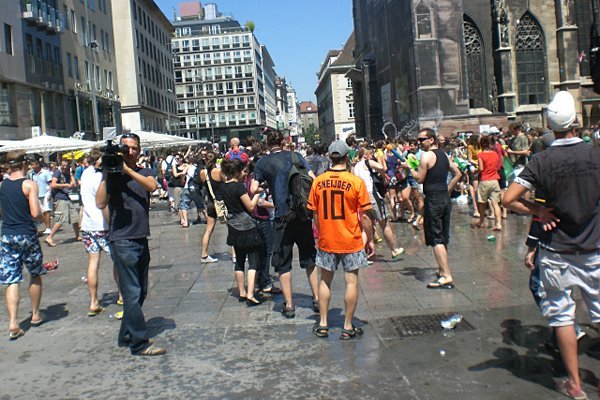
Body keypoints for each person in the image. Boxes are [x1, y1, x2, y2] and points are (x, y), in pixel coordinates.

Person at [503, 91, 600, 400]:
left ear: (550, 125)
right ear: (576, 122)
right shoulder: (595, 154)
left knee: (562, 317)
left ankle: (575, 384)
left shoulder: (541, 160)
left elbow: (508, 199)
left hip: (557, 251)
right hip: (594, 248)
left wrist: (538, 211)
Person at [96, 133, 166, 356]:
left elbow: (152, 186)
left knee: (141, 290)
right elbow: (100, 202)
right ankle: (139, 343)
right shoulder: (112, 176)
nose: (131, 152)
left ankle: (125, 334)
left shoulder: (144, 172)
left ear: (139, 149)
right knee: (132, 293)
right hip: (122, 239)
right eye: (126, 148)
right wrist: (107, 173)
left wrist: (127, 170)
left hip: (140, 236)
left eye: (134, 148)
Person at [250, 129, 319, 319]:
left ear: (267, 144)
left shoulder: (263, 162)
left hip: (282, 217)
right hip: (302, 215)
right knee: (309, 258)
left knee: (283, 262)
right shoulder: (296, 156)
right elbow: (312, 179)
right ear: (282, 141)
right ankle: (316, 299)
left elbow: (253, 188)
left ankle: (289, 305)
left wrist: (268, 184)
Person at [308, 141, 372, 340]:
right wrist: (369, 237)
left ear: (330, 157)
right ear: (346, 158)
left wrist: (322, 231)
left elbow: (314, 214)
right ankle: (347, 326)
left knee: (325, 280)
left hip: (327, 239)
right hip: (351, 239)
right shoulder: (355, 182)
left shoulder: (318, 182)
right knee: (351, 282)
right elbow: (365, 216)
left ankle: (323, 323)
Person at [0, 151, 45, 340]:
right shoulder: (29, 184)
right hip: (26, 234)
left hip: (7, 235)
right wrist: (44, 219)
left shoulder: (2, 185)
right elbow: (35, 213)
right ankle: (35, 314)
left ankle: (13, 323)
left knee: (12, 279)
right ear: (24, 164)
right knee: (34, 273)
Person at [410, 128, 462, 289]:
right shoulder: (444, 155)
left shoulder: (426, 156)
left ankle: (446, 275)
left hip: (433, 199)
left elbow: (419, 179)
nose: (419, 143)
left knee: (436, 238)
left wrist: (408, 168)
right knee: (443, 236)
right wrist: (447, 190)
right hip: (444, 198)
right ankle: (442, 270)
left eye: (421, 140)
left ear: (431, 140)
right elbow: (458, 173)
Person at [80, 148, 123, 317]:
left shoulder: (85, 174)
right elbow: (103, 204)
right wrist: (113, 225)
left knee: (93, 263)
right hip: (103, 225)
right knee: (118, 261)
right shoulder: (101, 177)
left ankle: (93, 302)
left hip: (88, 225)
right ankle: (121, 295)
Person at [220, 159, 264, 306]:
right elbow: (250, 206)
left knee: (239, 260)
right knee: (253, 261)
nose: (245, 174)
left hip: (233, 226)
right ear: (237, 172)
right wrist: (257, 193)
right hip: (247, 226)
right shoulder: (239, 187)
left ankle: (242, 292)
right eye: (243, 171)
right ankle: (251, 293)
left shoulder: (223, 187)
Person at [45, 160, 80, 247]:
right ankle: (49, 237)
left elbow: (74, 184)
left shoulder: (67, 173)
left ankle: (77, 236)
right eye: (63, 165)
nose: (64, 167)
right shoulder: (57, 172)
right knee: (60, 219)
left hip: (66, 198)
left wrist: (71, 175)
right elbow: (53, 184)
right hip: (60, 198)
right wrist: (65, 185)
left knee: (75, 218)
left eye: (66, 165)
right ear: (60, 165)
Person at [474, 135, 502, 231]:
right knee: (496, 204)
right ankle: (498, 224)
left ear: (481, 144)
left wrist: (475, 171)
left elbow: (481, 168)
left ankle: (481, 222)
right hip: (495, 180)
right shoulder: (495, 154)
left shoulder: (480, 155)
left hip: (485, 181)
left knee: (482, 203)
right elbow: (497, 166)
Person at [199, 151, 221, 263]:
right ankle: (235, 255)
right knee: (231, 229)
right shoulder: (218, 171)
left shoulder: (203, 173)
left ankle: (204, 255)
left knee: (209, 229)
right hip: (221, 202)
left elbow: (203, 185)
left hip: (211, 203)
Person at [30, 159, 53, 234]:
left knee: (46, 210)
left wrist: (50, 193)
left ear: (37, 165)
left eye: (33, 165)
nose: (31, 166)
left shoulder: (46, 172)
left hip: (46, 193)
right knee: (40, 212)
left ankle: (48, 228)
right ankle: (43, 226)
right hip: (37, 194)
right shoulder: (31, 174)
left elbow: (50, 183)